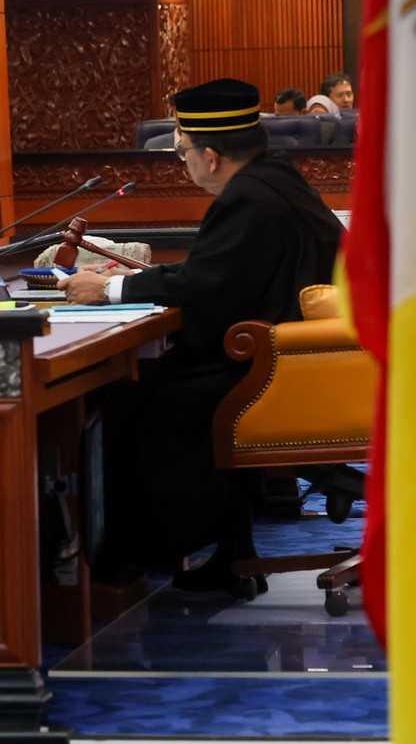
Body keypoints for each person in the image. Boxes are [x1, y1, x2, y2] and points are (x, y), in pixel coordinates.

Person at [58, 78, 343, 595]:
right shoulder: (276, 177)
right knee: (157, 379)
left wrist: (110, 288)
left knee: (136, 394)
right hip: (289, 358)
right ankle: (225, 552)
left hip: (267, 369)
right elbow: (221, 274)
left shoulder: (249, 199)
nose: (182, 161)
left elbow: (204, 285)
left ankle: (128, 562)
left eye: (183, 151)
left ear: (211, 156)